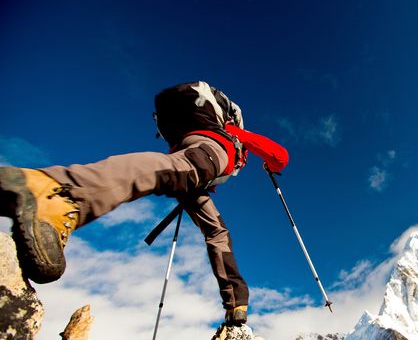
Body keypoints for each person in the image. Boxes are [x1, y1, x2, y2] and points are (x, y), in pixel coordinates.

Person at [0, 81, 288, 326]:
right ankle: (60, 193)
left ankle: (236, 304)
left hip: (193, 171)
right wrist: (272, 165)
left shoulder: (195, 133)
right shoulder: (230, 133)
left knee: (216, 230)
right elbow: (279, 154)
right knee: (182, 175)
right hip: (206, 154)